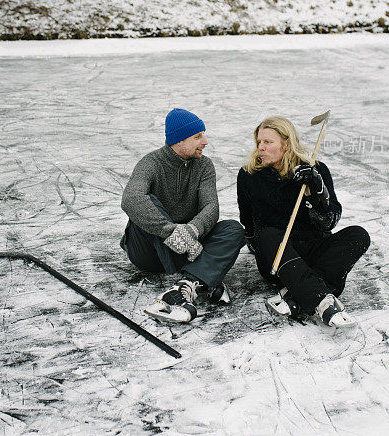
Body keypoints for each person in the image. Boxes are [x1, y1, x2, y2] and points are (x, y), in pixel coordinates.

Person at [237, 116, 370, 328]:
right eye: (259, 142)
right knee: (268, 235)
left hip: (313, 250)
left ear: (286, 144)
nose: (260, 147)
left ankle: (297, 295)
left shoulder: (316, 170)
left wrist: (318, 192)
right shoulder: (249, 174)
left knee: (358, 235)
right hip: (278, 255)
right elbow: (248, 223)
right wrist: (258, 245)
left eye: (267, 142)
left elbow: (329, 222)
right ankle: (320, 299)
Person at [121, 108, 244, 323]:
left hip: (189, 246)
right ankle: (204, 276)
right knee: (147, 202)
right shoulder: (151, 163)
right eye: (197, 136)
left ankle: (184, 287)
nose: (205, 141)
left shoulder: (204, 166)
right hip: (149, 251)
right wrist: (171, 232)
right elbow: (130, 199)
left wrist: (191, 231)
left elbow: (210, 208)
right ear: (178, 140)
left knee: (233, 229)